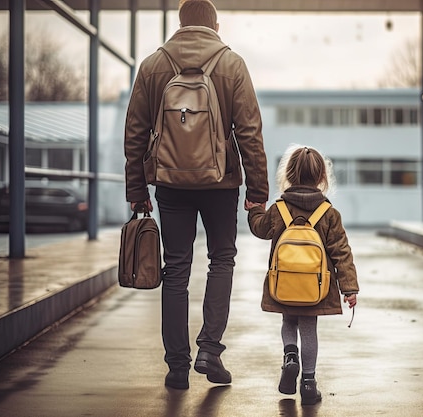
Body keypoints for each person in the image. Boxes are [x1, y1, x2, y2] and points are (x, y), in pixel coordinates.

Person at [124, 0, 268, 390]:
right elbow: (250, 133)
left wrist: (137, 190)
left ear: (181, 24)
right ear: (215, 26)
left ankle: (176, 366)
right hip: (220, 183)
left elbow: (135, 132)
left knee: (175, 268)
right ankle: (210, 350)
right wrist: (258, 192)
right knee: (221, 259)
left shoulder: (154, 65)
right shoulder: (231, 64)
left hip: (170, 183)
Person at [246, 144, 359, 405]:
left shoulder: (279, 209)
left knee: (289, 322)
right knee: (309, 329)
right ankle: (308, 383)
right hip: (315, 288)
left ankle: (290, 356)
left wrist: (254, 209)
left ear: (288, 174)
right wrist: (349, 288)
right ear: (322, 177)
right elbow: (342, 252)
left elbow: (260, 229)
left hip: (285, 282)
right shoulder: (329, 213)